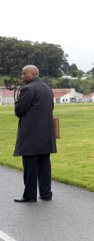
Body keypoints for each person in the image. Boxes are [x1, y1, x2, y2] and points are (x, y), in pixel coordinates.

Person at [13, 65, 57, 202]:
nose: (22, 76)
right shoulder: (47, 88)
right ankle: (46, 194)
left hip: (31, 134)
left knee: (30, 166)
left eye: (24, 74)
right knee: (44, 165)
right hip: (46, 133)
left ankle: (30, 195)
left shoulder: (28, 89)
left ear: (32, 74)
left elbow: (19, 110)